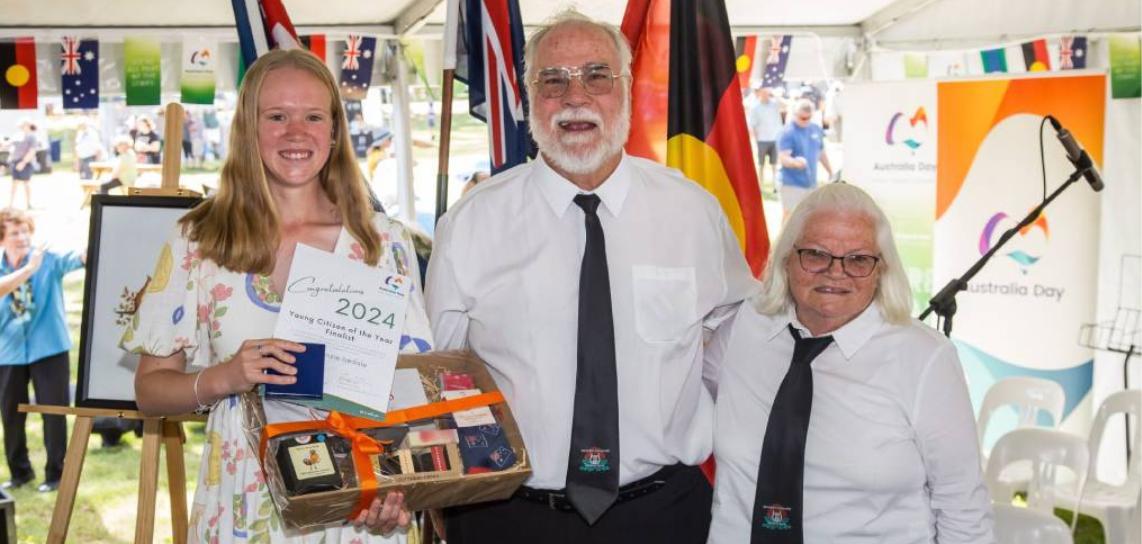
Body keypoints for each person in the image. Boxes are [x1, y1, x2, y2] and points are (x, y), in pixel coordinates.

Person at [427, 10, 758, 543]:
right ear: (528, 98)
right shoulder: (471, 224)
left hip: (664, 512)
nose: (575, 97)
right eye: (552, 80)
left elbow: (739, 342)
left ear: (627, 89)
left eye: (597, 75)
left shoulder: (692, 212)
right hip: (506, 516)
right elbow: (437, 372)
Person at [126, 49, 429, 543]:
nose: (296, 132)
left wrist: (397, 493)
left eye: (313, 116)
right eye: (277, 116)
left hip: (357, 506)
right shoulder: (198, 240)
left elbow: (415, 385)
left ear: (334, 131)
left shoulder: (382, 239)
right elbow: (149, 391)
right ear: (248, 128)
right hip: (247, 507)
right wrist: (227, 376)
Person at [705, 183, 992, 543]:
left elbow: (962, 506)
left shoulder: (924, 358)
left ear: (880, 270)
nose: (835, 272)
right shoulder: (745, 328)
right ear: (786, 259)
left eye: (858, 259)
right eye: (815, 254)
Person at [0, 208, 86, 493]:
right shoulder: (14, 267)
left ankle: (56, 475)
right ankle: (20, 472)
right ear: (2, 238)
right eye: (15, 232)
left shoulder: (46, 260)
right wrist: (28, 270)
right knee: (11, 414)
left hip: (49, 349)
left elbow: (77, 259)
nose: (23, 237)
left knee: (53, 413)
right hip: (9, 352)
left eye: (25, 230)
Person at [777, 99, 833, 219]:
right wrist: (795, 162)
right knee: (789, 216)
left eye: (808, 118)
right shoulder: (788, 132)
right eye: (803, 118)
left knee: (809, 218)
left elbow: (821, 152)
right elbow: (783, 158)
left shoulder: (816, 129)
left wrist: (830, 171)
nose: (806, 121)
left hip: (810, 182)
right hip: (791, 182)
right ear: (795, 115)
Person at [746, 86, 783, 190]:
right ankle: (760, 185)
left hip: (774, 138)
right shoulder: (755, 107)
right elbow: (752, 125)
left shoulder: (774, 104)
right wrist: (756, 140)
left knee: (774, 164)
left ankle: (775, 185)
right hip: (762, 139)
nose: (766, 94)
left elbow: (785, 106)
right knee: (761, 164)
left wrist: (775, 94)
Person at [7, 120, 37, 209]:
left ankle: (29, 204)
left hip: (25, 163)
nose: (21, 127)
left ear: (28, 125)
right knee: (14, 183)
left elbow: (32, 151)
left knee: (26, 183)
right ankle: (11, 204)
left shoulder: (31, 136)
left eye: (23, 125)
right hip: (15, 161)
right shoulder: (17, 135)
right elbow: (9, 145)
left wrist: (23, 162)